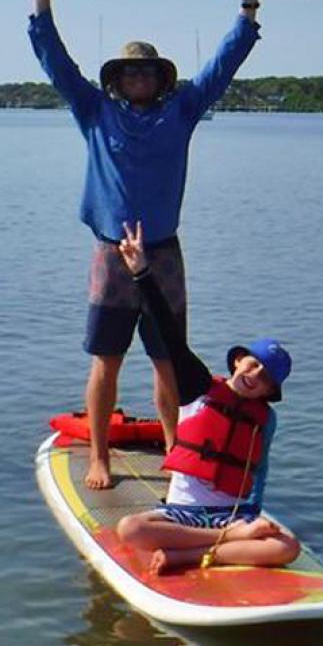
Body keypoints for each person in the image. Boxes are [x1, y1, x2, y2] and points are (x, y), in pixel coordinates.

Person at [29, 0, 262, 489]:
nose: (138, 79)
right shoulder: (94, 112)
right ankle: (99, 456)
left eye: (147, 73)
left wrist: (247, 13)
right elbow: (56, 65)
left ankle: (178, 454)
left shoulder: (181, 111)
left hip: (162, 255)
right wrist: (42, 4)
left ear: (160, 79)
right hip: (112, 256)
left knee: (168, 362)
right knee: (105, 361)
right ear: (117, 81)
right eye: (130, 73)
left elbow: (220, 70)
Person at [111, 221, 300, 575]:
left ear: (269, 392)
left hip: (234, 513)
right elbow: (169, 330)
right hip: (184, 514)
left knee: (287, 547)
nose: (254, 375)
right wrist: (141, 273)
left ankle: (189, 555)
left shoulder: (265, 419)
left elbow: (260, 470)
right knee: (130, 528)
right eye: (253, 364)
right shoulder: (196, 385)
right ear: (238, 361)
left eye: (264, 377)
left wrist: (252, 515)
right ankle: (228, 543)